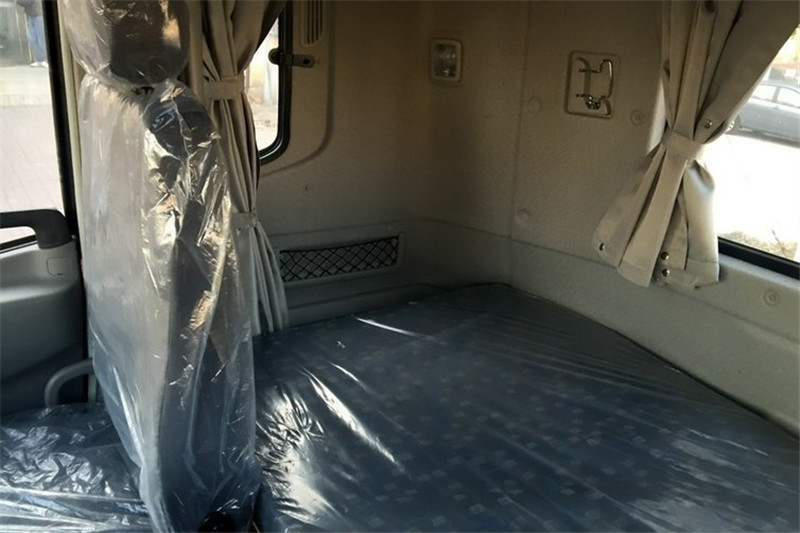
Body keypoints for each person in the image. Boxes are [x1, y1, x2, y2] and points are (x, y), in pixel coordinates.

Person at [16, 0, 46, 68]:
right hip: (32, 15)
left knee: (41, 39)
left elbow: (26, 1)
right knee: (32, 39)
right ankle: (40, 60)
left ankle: (44, 60)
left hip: (38, 15)